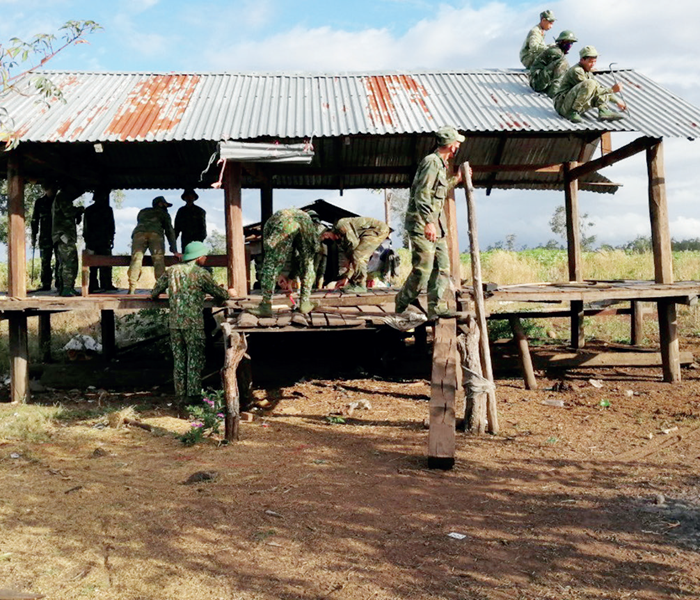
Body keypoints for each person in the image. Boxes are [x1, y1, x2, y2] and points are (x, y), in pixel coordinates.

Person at [394, 126, 464, 319]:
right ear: (451, 146)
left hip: (437, 226)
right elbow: (422, 193)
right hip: (423, 225)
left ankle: (436, 308)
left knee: (442, 268)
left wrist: (455, 180)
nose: (458, 144)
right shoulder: (431, 162)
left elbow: (436, 191)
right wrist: (428, 222)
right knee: (423, 270)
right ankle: (401, 305)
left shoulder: (441, 164)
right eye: (457, 142)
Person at [151, 241, 229, 411]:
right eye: (204, 256)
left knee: (179, 360)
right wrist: (229, 292)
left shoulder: (172, 271)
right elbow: (220, 293)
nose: (206, 258)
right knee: (194, 360)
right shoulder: (200, 274)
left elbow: (154, 292)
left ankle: (180, 397)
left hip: (175, 324)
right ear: (198, 257)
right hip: (193, 323)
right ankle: (192, 399)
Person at [249, 208, 320, 317]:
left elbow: (271, 257)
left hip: (286, 222)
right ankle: (305, 303)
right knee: (308, 263)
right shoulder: (304, 219)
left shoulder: (271, 225)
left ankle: (265, 305)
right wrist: (286, 277)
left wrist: (281, 276)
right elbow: (300, 257)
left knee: (271, 265)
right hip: (305, 223)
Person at [554, 45, 627, 124]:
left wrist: (617, 101)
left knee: (597, 86)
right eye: (590, 62)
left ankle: (603, 110)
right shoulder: (576, 71)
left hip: (572, 102)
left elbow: (598, 89)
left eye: (594, 62)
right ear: (582, 60)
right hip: (563, 105)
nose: (593, 64)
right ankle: (573, 112)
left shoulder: (588, 72)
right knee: (591, 83)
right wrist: (612, 90)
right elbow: (590, 87)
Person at [321, 216, 390, 293]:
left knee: (359, 255)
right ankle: (355, 283)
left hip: (377, 229)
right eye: (325, 240)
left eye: (324, 236)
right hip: (369, 233)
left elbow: (354, 245)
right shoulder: (340, 241)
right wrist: (346, 277)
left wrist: (349, 272)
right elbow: (350, 258)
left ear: (327, 231)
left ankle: (360, 284)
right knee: (357, 255)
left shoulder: (340, 226)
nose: (326, 238)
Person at [127, 196, 179, 294]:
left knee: (136, 260)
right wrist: (174, 249)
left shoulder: (143, 212)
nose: (166, 207)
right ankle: (161, 287)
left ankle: (132, 287)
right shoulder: (164, 214)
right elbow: (169, 231)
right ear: (160, 204)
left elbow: (139, 221)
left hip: (138, 234)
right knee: (158, 260)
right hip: (156, 234)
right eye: (165, 205)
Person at [50, 183, 84, 297]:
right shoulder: (63, 197)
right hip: (64, 236)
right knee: (69, 261)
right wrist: (79, 210)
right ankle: (67, 288)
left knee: (63, 262)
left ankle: (64, 287)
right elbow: (68, 212)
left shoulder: (60, 197)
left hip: (61, 236)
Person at [83, 187, 117, 293]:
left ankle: (93, 285)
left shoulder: (89, 210)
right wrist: (111, 239)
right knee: (106, 264)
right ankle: (106, 284)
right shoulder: (108, 209)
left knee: (94, 265)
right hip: (103, 241)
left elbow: (85, 227)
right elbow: (112, 226)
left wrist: (87, 240)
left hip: (93, 241)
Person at [529, 30, 577, 98]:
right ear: (561, 41)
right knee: (563, 63)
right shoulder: (555, 52)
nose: (570, 44)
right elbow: (561, 70)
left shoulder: (560, 52)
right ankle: (555, 93)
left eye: (571, 42)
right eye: (568, 42)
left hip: (543, 81)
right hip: (536, 82)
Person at [30, 182, 57, 291]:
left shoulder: (59, 201)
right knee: (45, 261)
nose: (53, 191)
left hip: (58, 235)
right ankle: (46, 283)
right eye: (51, 189)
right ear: (46, 189)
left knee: (60, 260)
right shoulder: (40, 202)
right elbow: (34, 220)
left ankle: (60, 283)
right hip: (45, 236)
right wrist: (33, 235)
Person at [174, 188, 207, 253]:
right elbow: (177, 227)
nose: (189, 198)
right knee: (186, 256)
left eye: (191, 196)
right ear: (185, 198)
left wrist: (201, 239)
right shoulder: (181, 211)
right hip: (185, 238)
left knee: (197, 256)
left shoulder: (200, 211)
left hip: (197, 238)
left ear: (194, 198)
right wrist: (173, 240)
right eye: (187, 196)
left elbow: (203, 226)